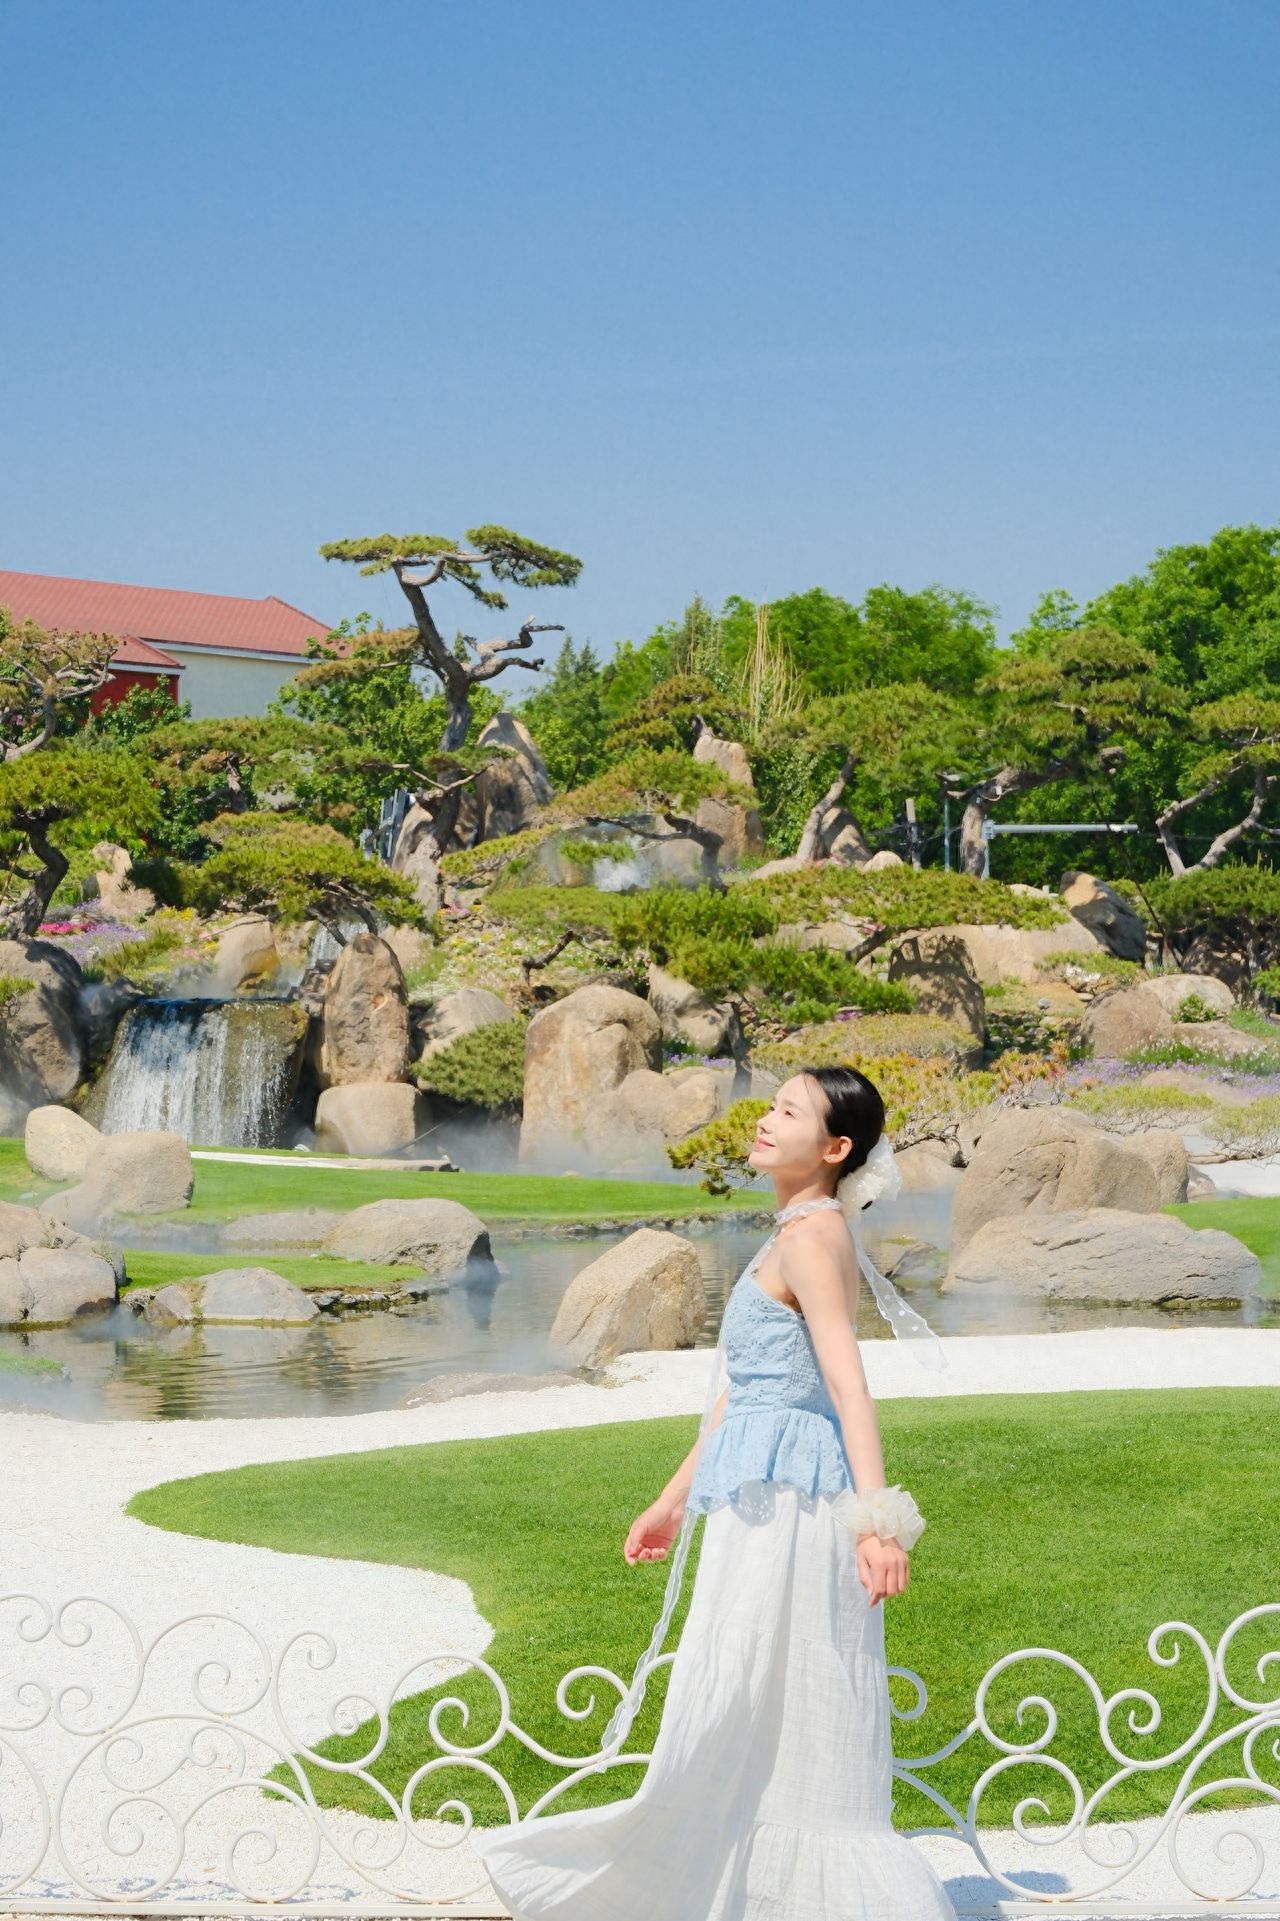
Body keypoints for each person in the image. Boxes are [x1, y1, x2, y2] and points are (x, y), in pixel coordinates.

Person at [473, 1065, 958, 1920]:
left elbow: (848, 1387)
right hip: (759, 1484)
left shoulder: (811, 1238)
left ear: (836, 1148)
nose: (765, 1121)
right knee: (755, 1687)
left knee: (773, 1680)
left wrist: (878, 1525)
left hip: (788, 1501)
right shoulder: (799, 1230)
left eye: (789, 1112)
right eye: (772, 1105)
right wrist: (670, 1499)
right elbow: (746, 1390)